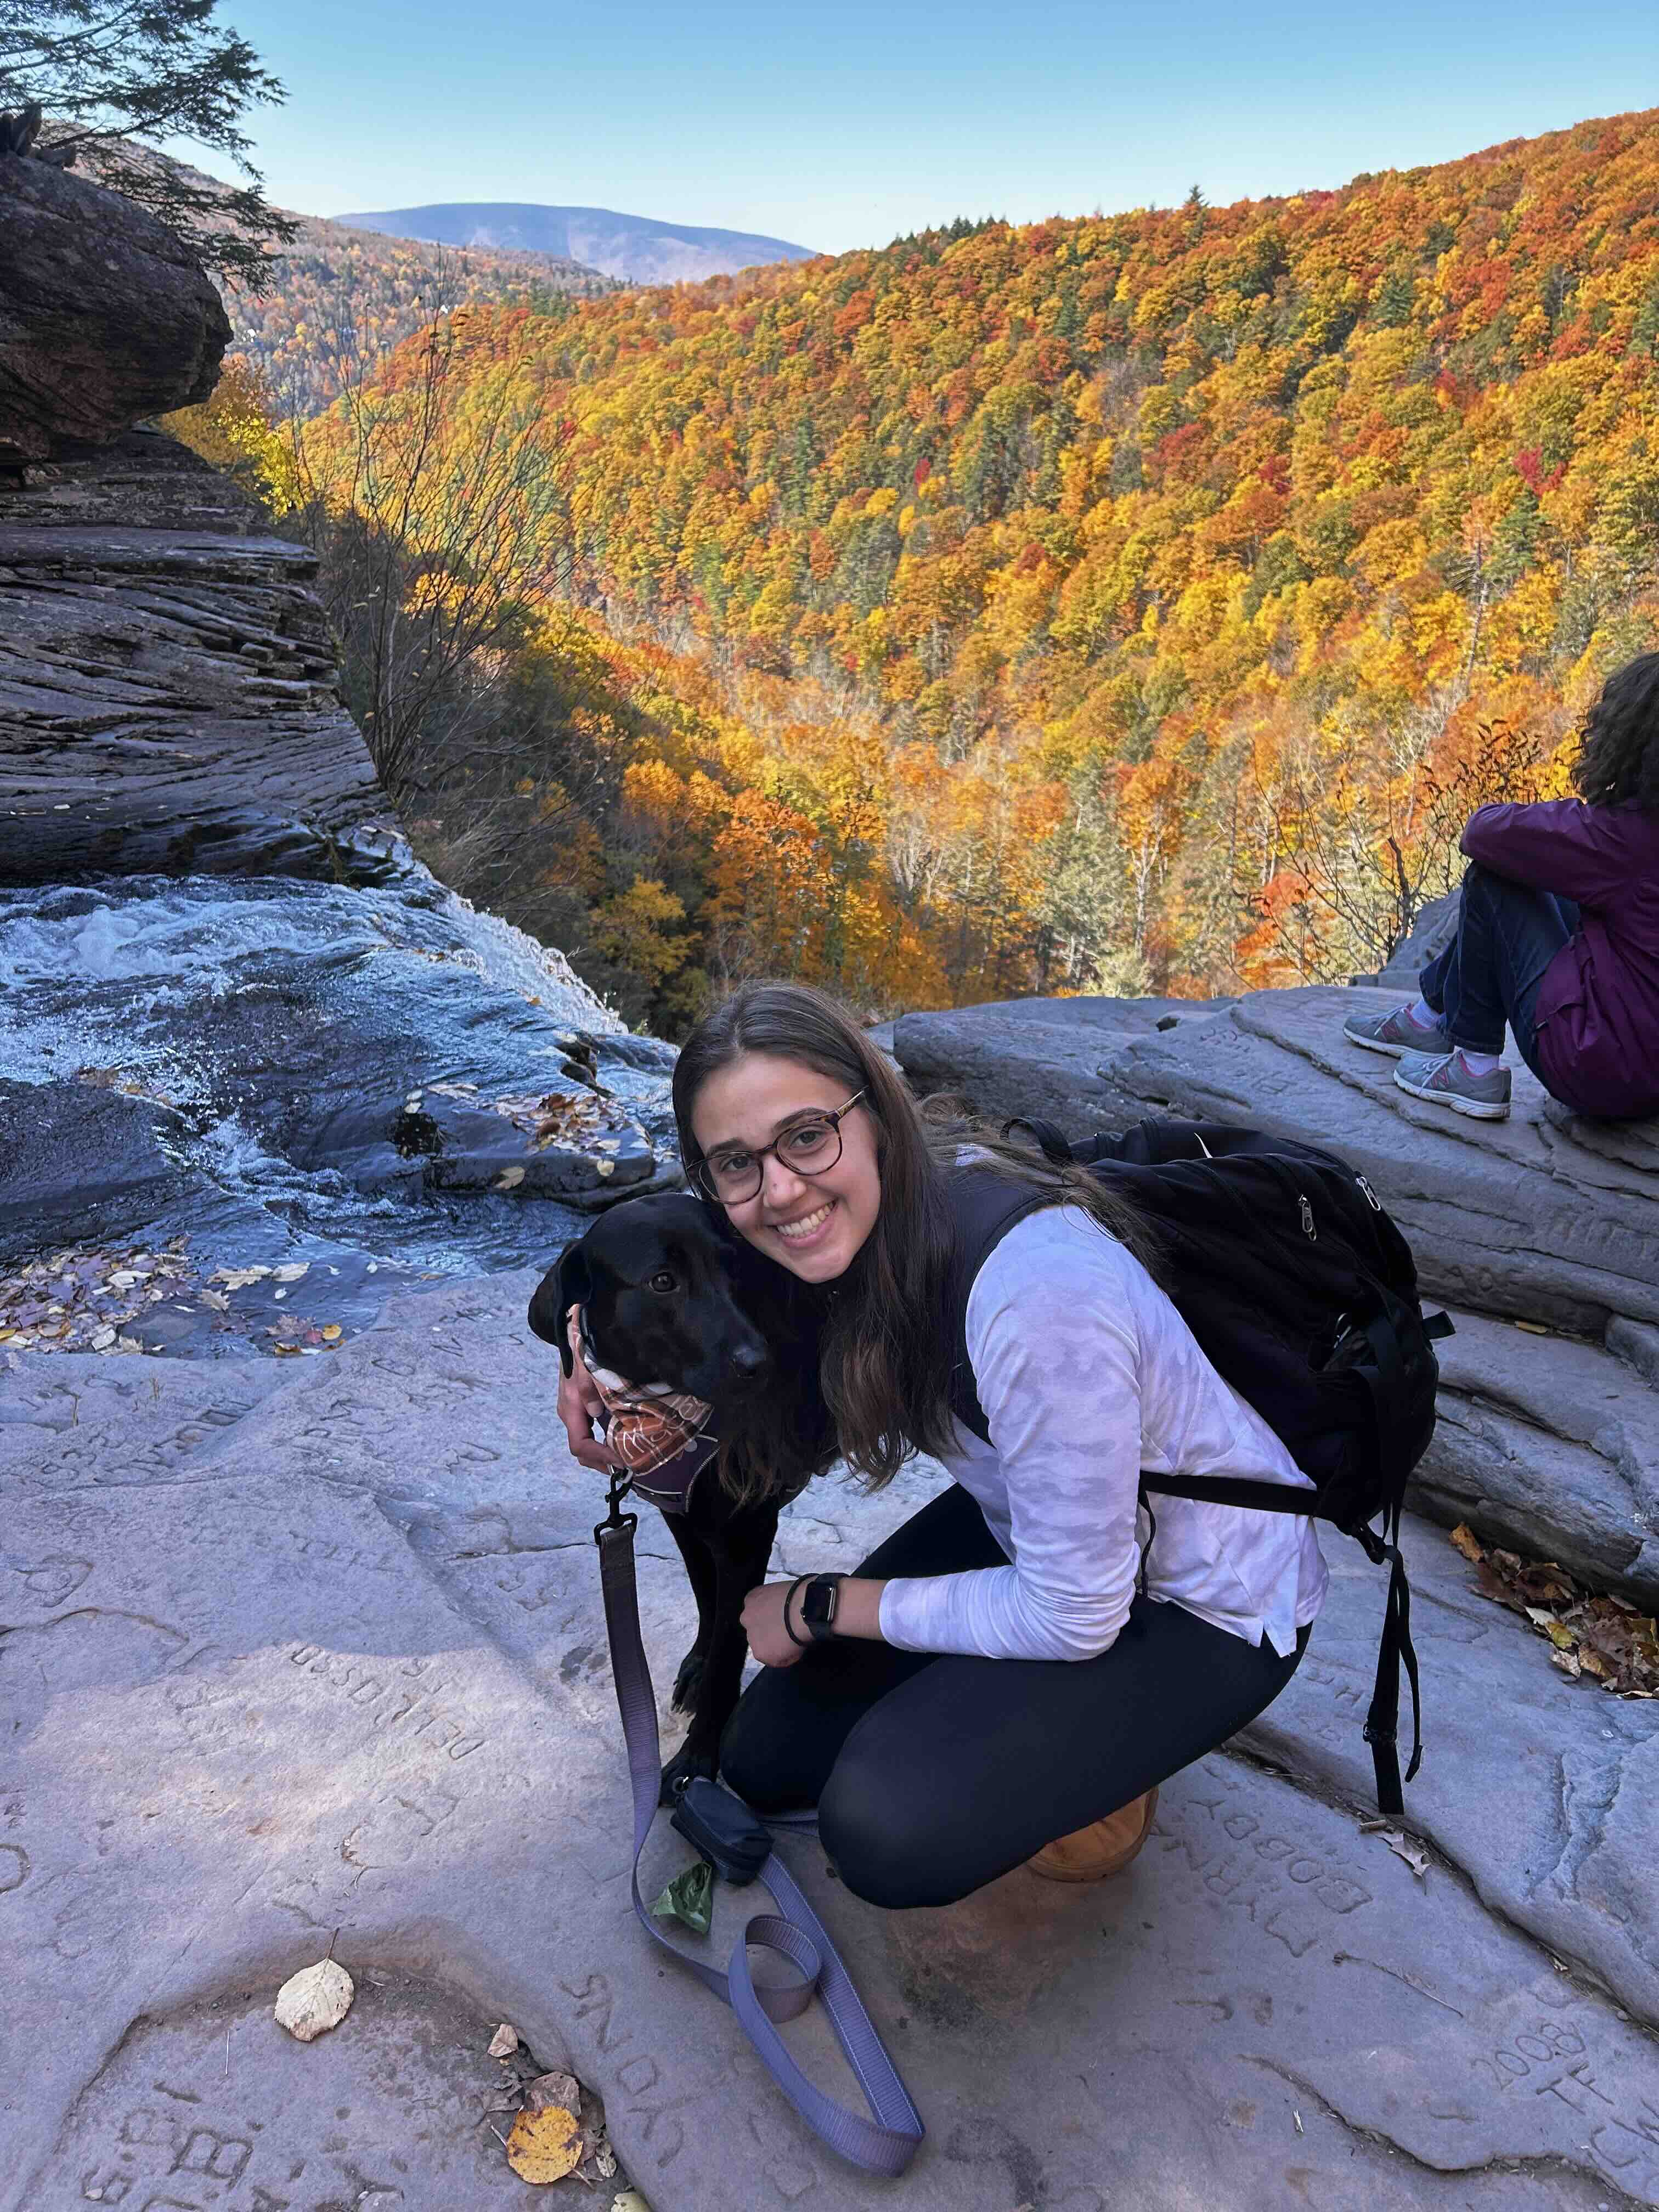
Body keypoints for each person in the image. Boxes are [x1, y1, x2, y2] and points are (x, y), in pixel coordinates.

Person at [561, 980, 1327, 1911]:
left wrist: (817, 1605)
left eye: (806, 1135)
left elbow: (1075, 1614)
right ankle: (1026, 1721)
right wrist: (622, 1403)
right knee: (764, 1759)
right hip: (1042, 1522)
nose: (780, 1190)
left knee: (886, 1831)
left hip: (1198, 1594)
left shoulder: (1035, 1294)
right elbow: (763, 1420)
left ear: (870, 1106)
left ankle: (1110, 1763)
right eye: (734, 1162)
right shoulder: (837, 1231)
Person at [1344, 652, 1659, 1124]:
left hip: (1604, 1072)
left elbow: (1483, 833)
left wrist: (1580, 817)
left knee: (1495, 877)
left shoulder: (1623, 838)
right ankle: (1431, 1015)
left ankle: (1473, 1065)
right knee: (1551, 879)